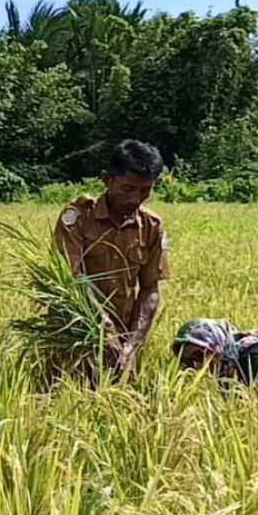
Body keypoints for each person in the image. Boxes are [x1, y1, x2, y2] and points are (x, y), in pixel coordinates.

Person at [55, 140, 169, 376]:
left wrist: (132, 344)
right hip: (75, 336)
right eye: (128, 190)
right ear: (107, 180)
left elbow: (150, 289)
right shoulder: (77, 218)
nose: (135, 199)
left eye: (144, 191)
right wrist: (105, 331)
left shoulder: (151, 226)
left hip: (123, 342)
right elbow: (74, 280)